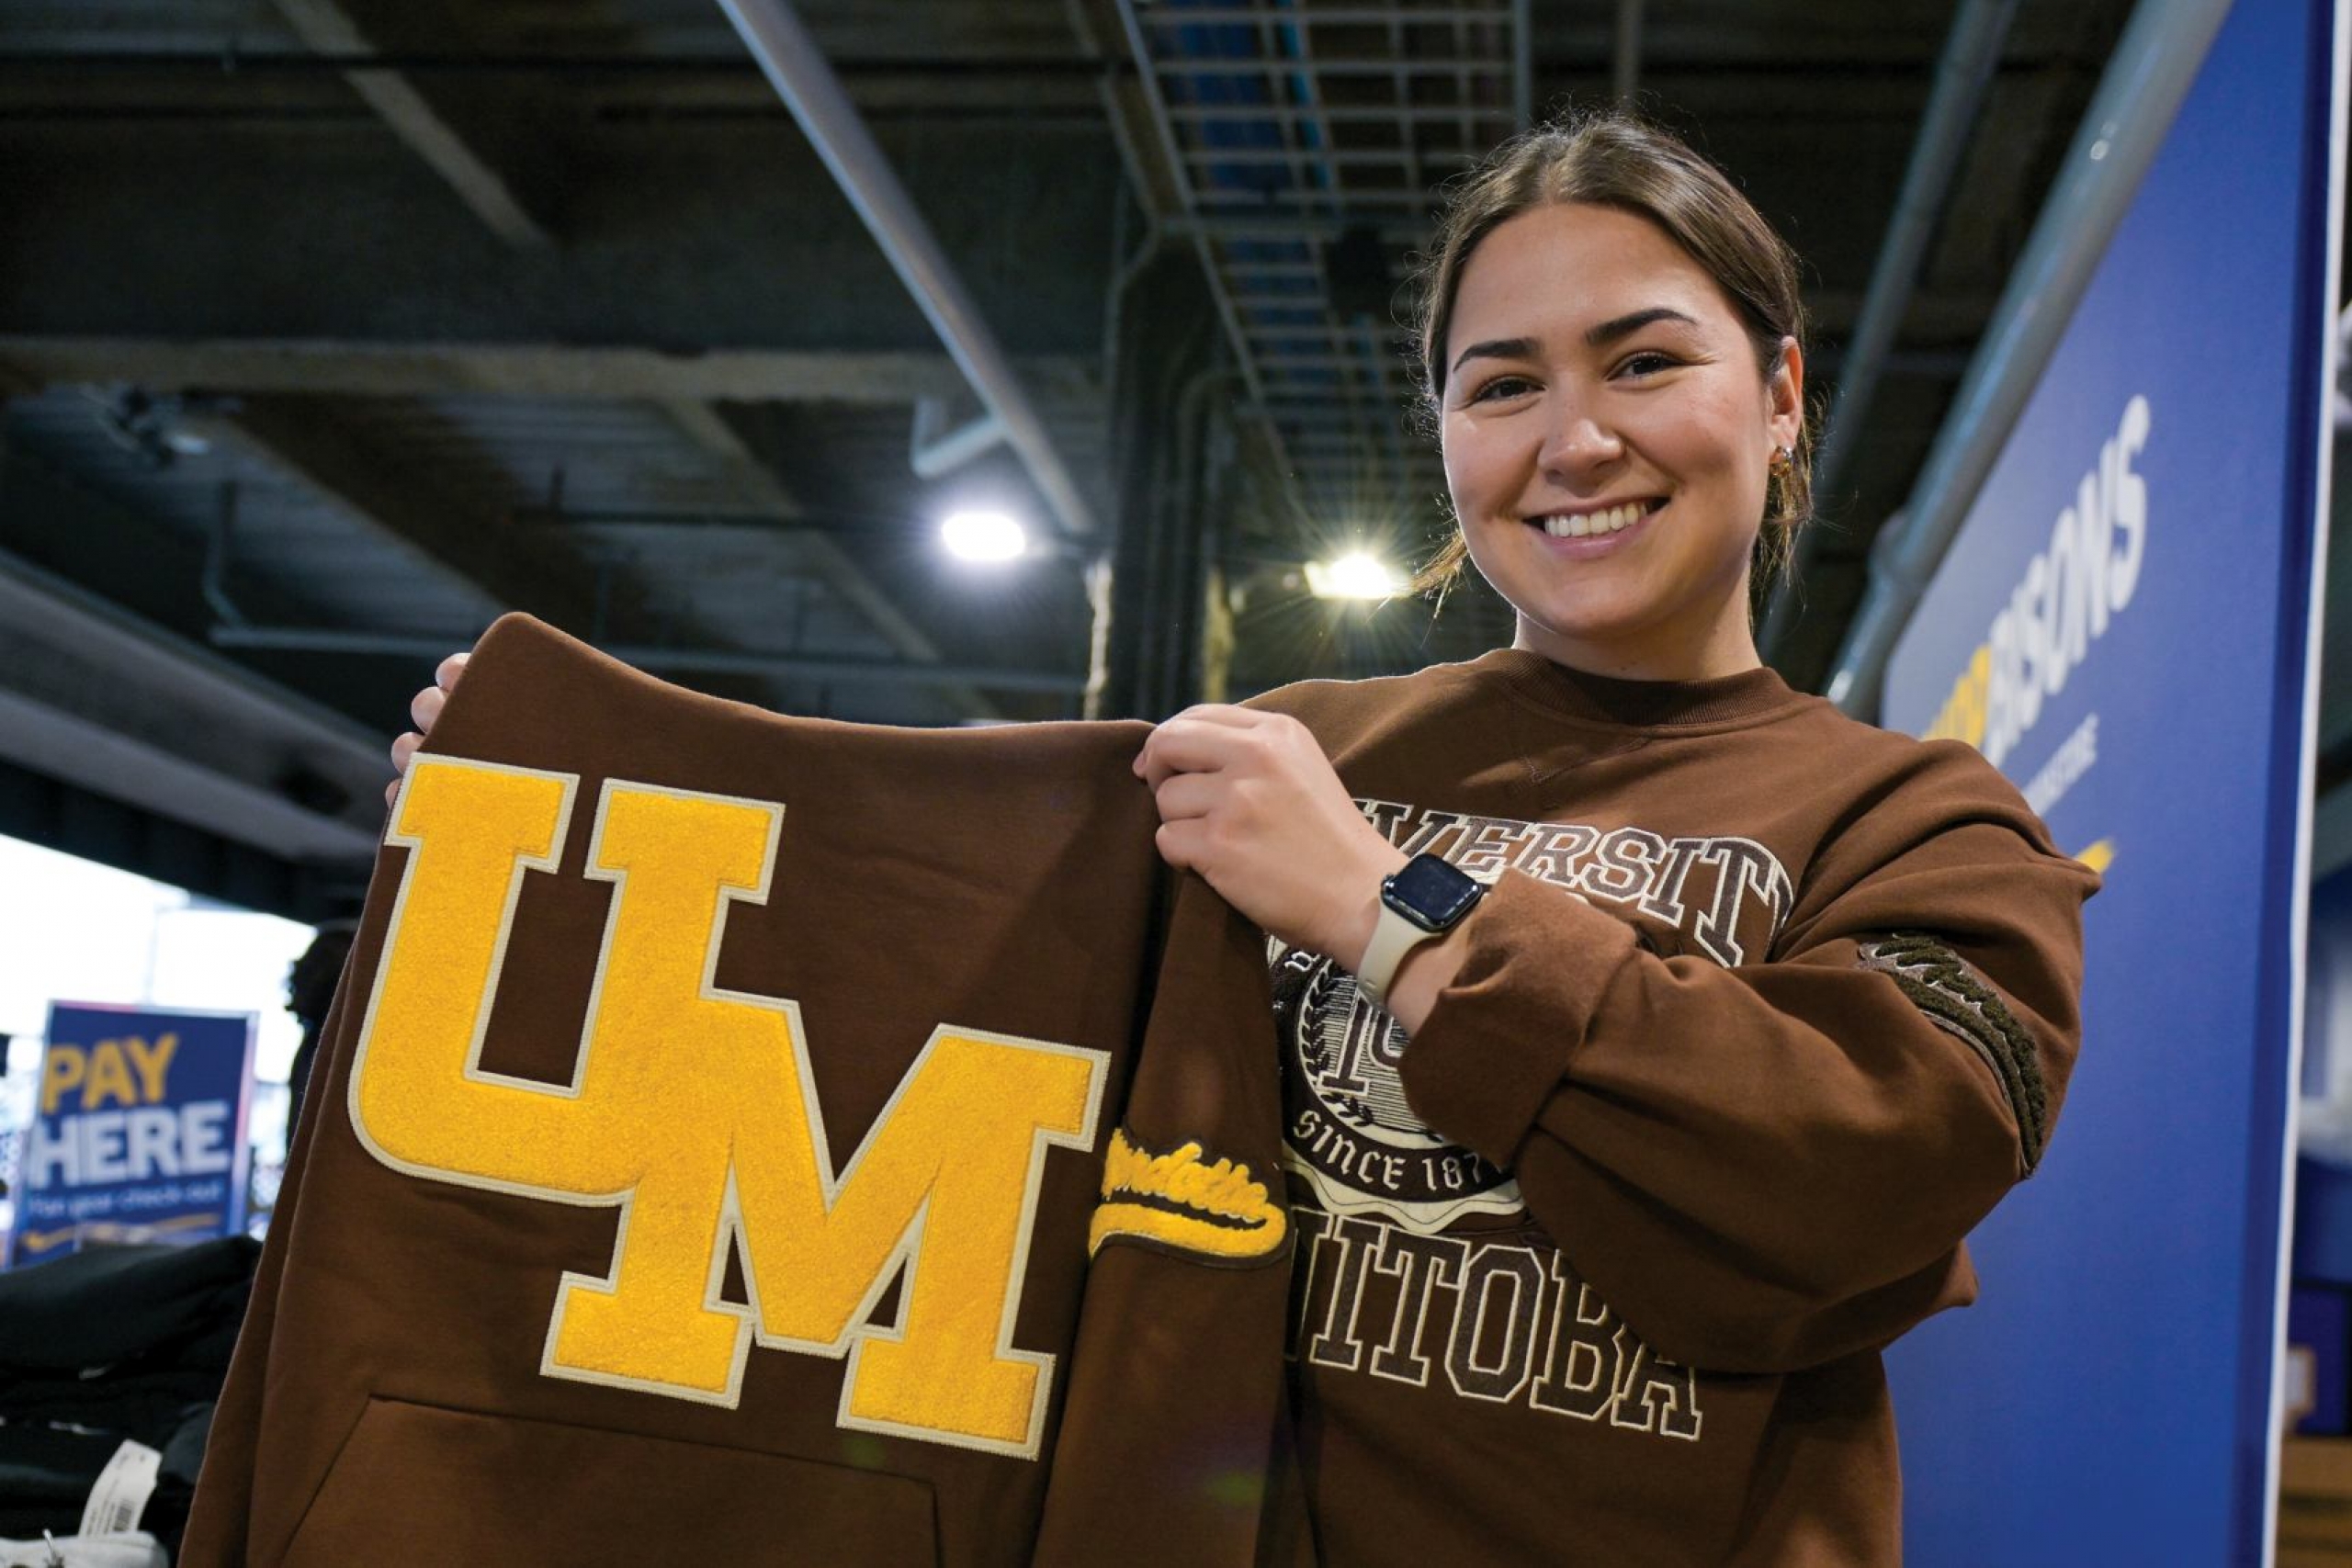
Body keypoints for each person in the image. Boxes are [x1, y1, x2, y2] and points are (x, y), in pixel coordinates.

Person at [391, 107, 2095, 1565]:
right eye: (1501, 386)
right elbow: (891, 1021)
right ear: (1444, 441)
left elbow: (1869, 1168)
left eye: (1646, 360)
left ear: (1781, 392)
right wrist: (544, 849)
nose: (1576, 440)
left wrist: (1397, 911)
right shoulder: (1289, 751)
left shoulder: (1921, 824)